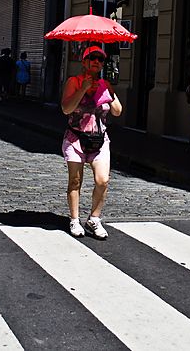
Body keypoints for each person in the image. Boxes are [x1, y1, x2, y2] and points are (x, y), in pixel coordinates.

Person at [61, 46, 123, 239]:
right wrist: (83, 89)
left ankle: (94, 219)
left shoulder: (105, 84)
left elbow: (117, 111)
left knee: (102, 180)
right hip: (76, 139)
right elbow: (66, 109)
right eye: (92, 58)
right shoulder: (74, 81)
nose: (97, 62)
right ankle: (74, 219)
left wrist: (107, 92)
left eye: (100, 59)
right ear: (84, 61)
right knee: (75, 180)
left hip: (99, 140)